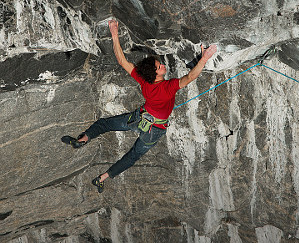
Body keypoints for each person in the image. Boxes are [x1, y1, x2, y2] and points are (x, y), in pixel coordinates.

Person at [61, 19, 217, 193]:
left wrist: (114, 34)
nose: (163, 65)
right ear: (155, 73)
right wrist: (204, 59)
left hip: (139, 119)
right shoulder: (168, 87)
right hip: (154, 129)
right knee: (132, 156)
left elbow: (122, 61)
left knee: (104, 124)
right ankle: (102, 178)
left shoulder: (145, 81)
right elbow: (189, 77)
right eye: (160, 66)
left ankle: (83, 139)